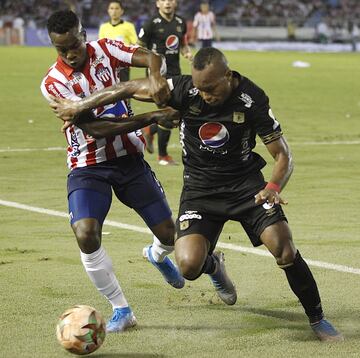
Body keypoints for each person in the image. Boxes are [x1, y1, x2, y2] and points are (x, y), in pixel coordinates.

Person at [49, 48, 343, 342]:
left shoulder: (252, 98)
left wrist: (273, 188)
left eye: (211, 89)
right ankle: (215, 265)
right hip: (200, 190)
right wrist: (80, 107)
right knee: (188, 267)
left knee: (284, 248)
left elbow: (283, 155)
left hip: (246, 187)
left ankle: (317, 319)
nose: (205, 96)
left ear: (227, 76)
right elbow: (126, 87)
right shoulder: (185, 89)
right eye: (201, 89)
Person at [40, 10, 185, 334]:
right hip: (87, 166)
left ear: (83, 36)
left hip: (129, 160)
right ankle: (122, 309)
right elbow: (96, 128)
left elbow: (151, 56)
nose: (69, 53)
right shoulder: (53, 83)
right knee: (86, 234)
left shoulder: (105, 49)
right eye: (61, 49)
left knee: (169, 236)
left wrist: (157, 75)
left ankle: (157, 256)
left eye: (74, 44)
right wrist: (153, 117)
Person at [138, 0, 193, 165]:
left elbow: (182, 44)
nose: (167, 3)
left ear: (175, 3)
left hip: (176, 74)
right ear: (157, 4)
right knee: (171, 113)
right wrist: (150, 66)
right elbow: (138, 47)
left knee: (176, 113)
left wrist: (187, 53)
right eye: (163, 0)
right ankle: (162, 156)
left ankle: (149, 128)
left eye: (171, 0)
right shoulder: (150, 24)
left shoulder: (180, 22)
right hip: (158, 75)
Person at [99, 1, 138, 82]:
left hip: (124, 65)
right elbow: (101, 47)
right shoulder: (103, 27)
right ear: (108, 10)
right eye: (111, 8)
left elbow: (134, 44)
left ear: (122, 11)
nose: (114, 11)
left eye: (117, 8)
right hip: (109, 66)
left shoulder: (129, 26)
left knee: (126, 89)